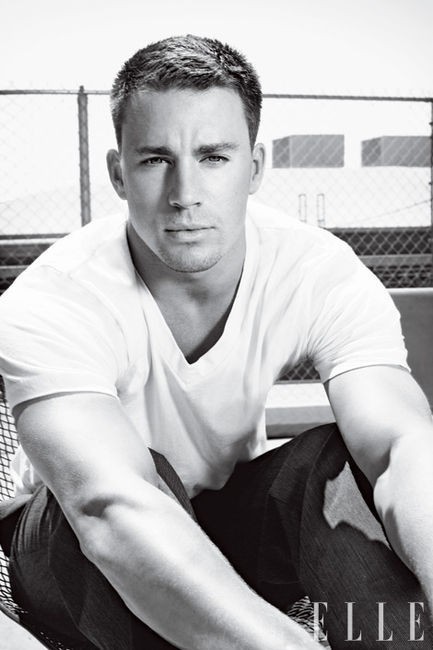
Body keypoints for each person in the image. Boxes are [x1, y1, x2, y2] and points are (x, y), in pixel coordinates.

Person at [0, 34, 432, 650]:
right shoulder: (56, 297)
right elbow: (107, 505)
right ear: (119, 173)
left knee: (331, 464)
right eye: (156, 160)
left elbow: (400, 445)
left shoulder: (317, 270)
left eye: (213, 157)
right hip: (69, 545)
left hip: (229, 524)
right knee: (134, 485)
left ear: (254, 168)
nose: (185, 194)